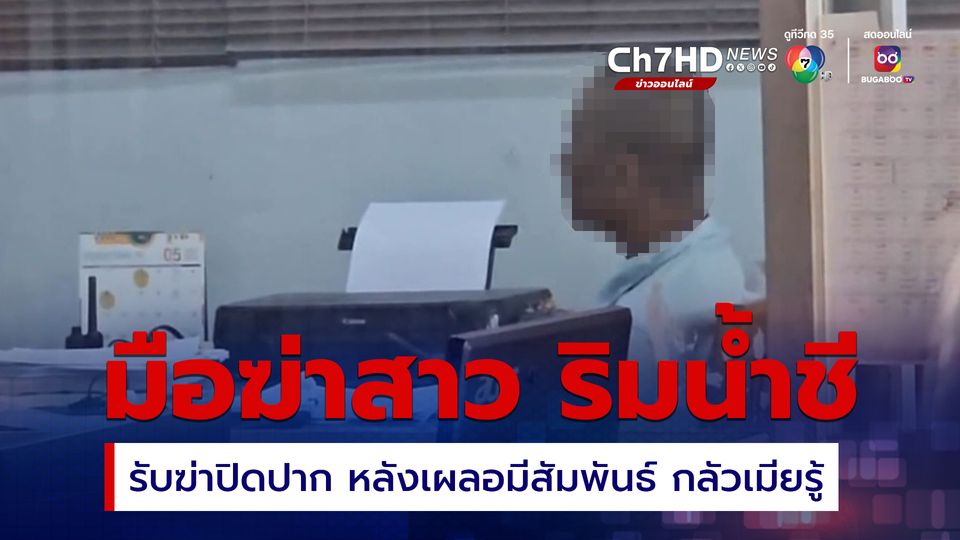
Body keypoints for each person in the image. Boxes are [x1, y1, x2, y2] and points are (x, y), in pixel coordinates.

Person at [561, 69, 763, 423]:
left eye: (578, 154)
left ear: (623, 172)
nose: (568, 170)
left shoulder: (640, 327)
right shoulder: (724, 263)